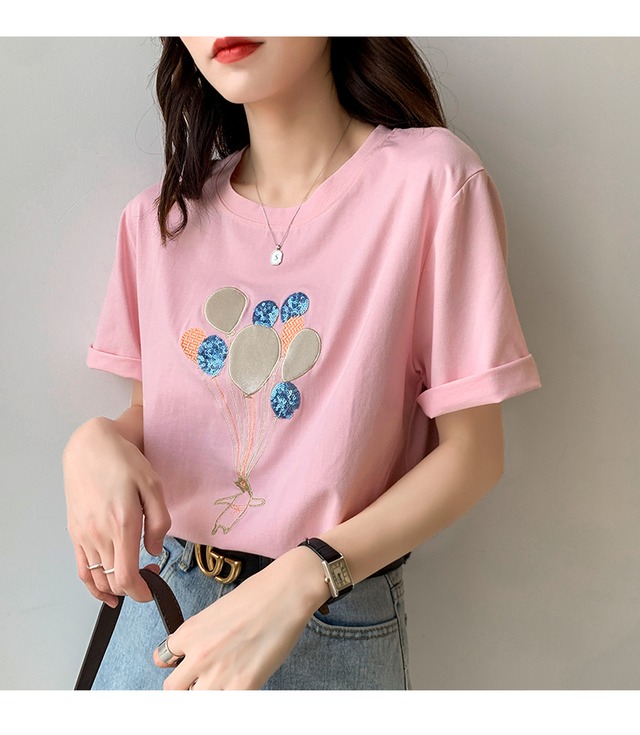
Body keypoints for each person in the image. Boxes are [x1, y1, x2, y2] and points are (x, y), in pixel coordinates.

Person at [62, 36, 542, 691]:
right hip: (165, 612)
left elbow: (474, 455)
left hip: (329, 612)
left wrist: (306, 575)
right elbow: (161, 416)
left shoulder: (431, 182)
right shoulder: (158, 221)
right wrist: (95, 442)